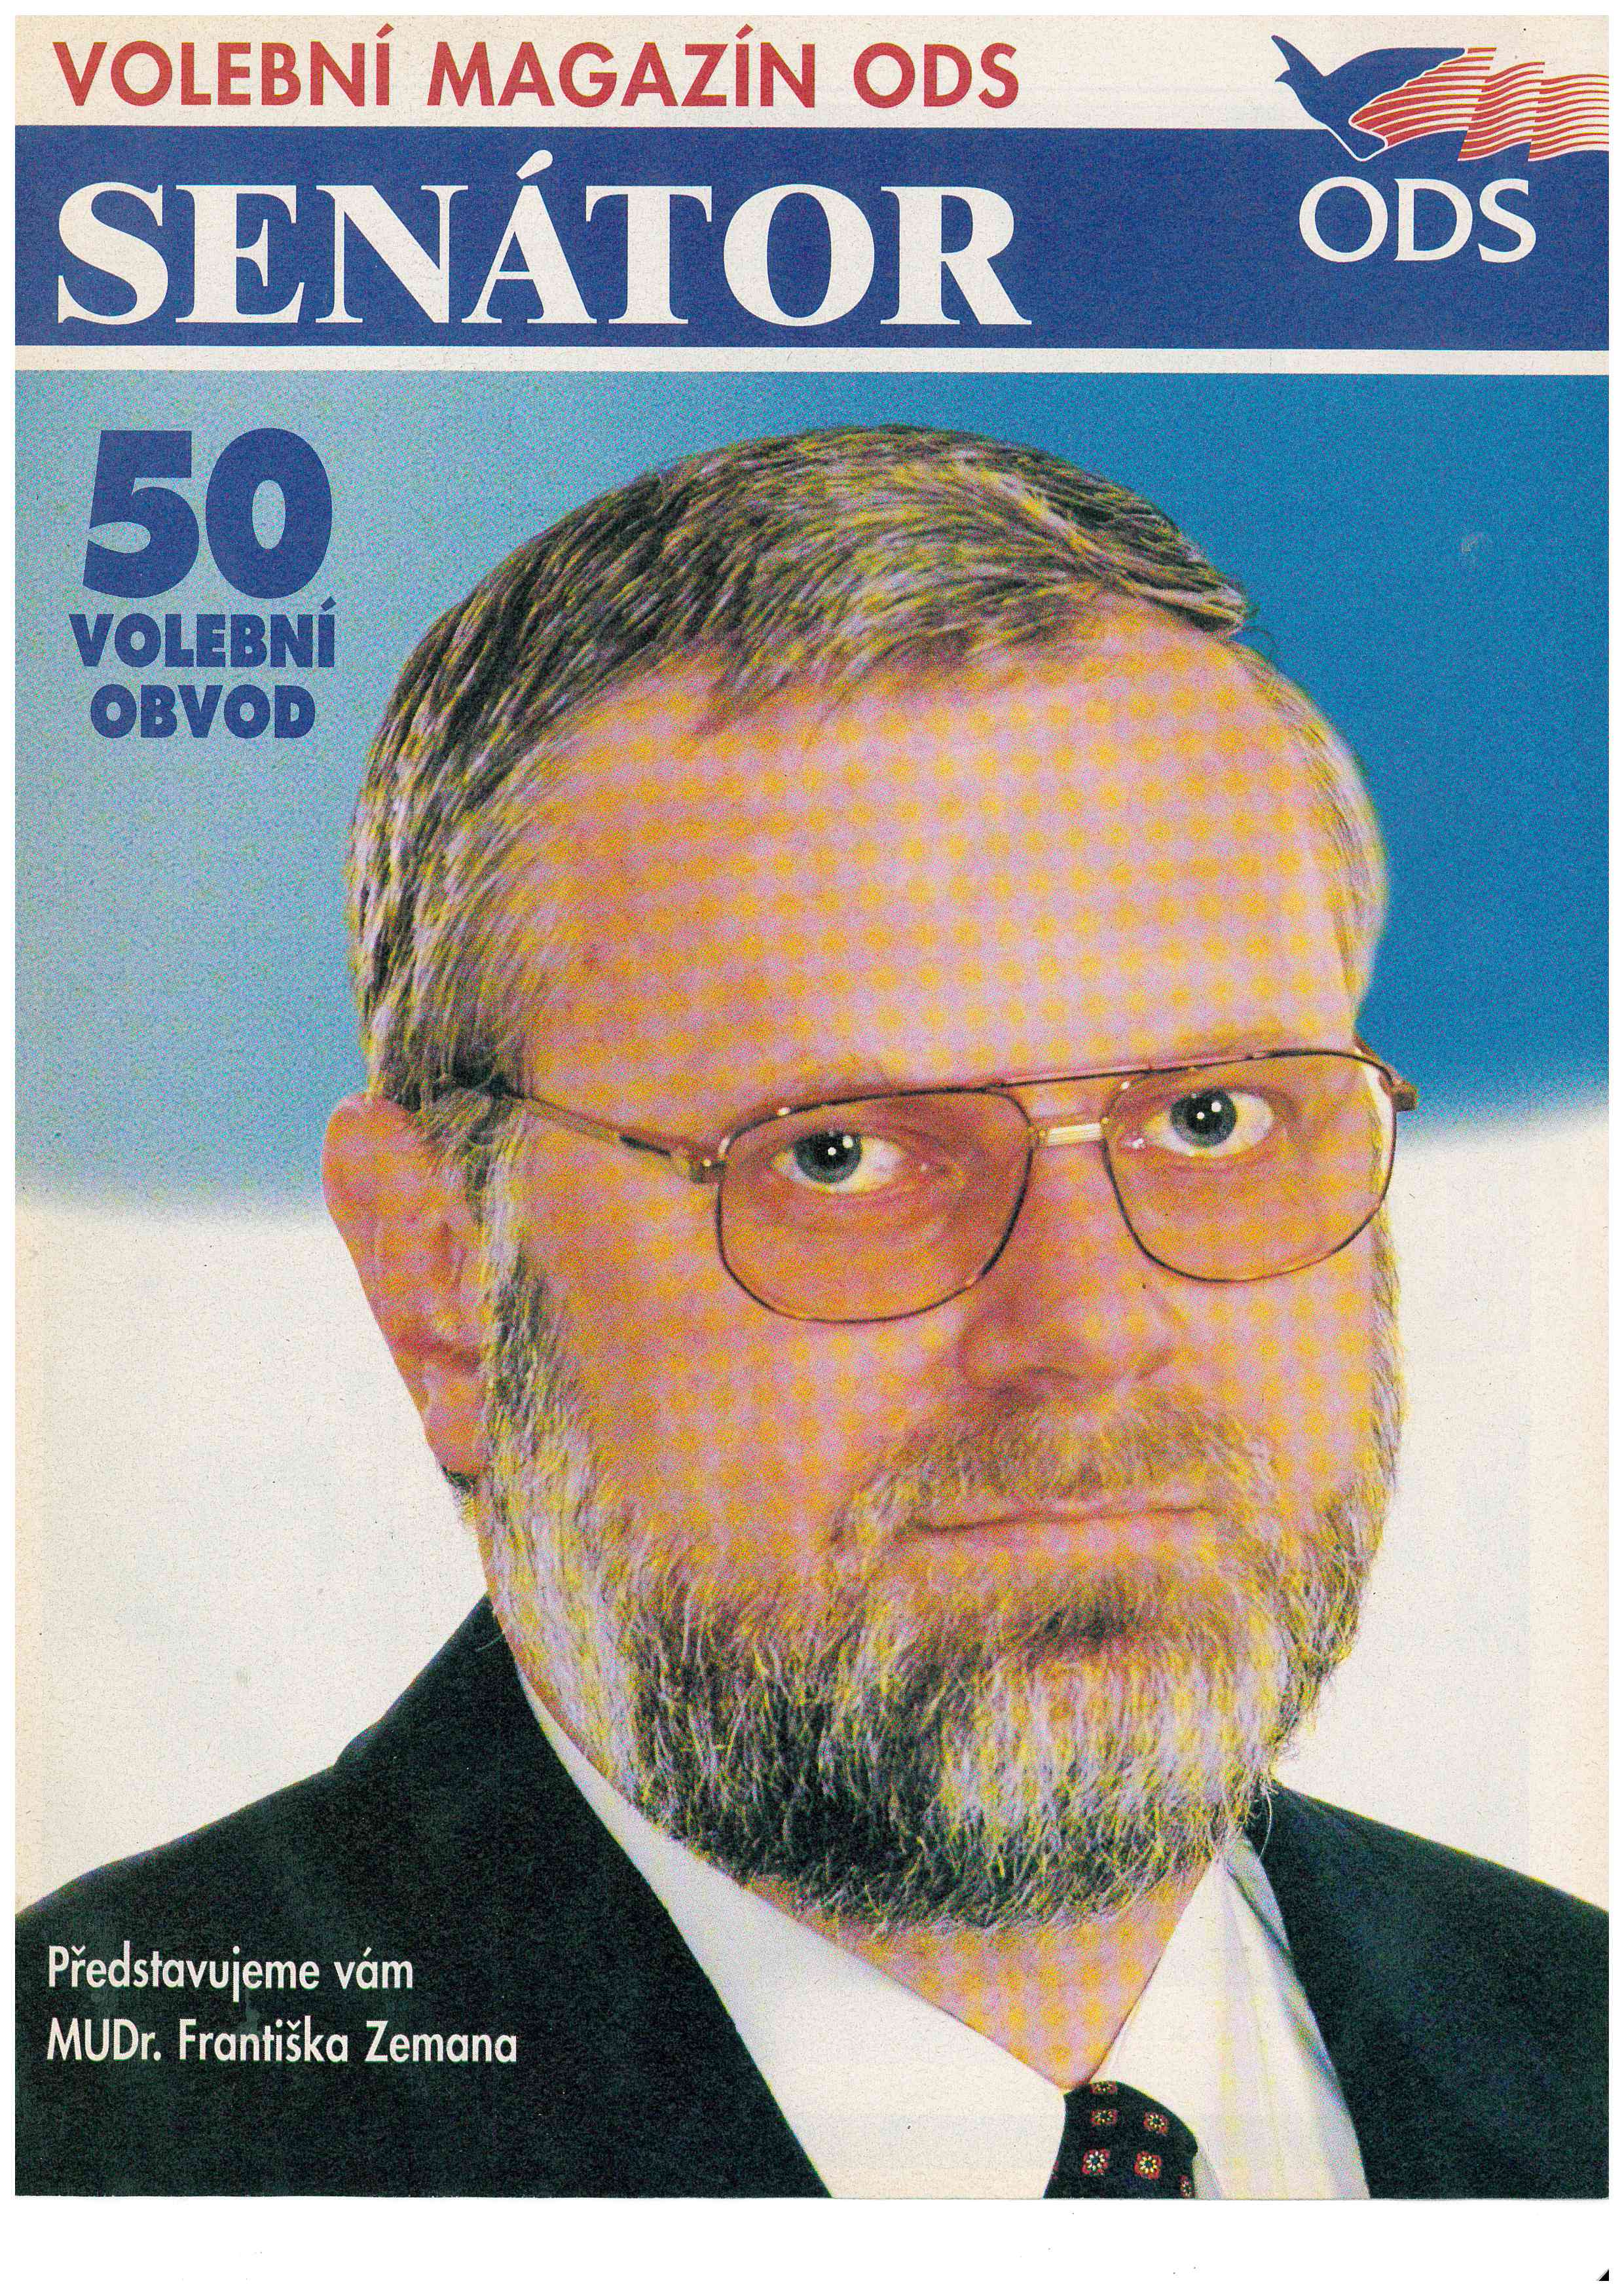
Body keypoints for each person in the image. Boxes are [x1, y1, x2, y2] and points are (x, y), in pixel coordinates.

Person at [17, 427, 1604, 2198]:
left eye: (1212, 1118)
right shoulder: (102, 2144)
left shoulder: (1582, 2044)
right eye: (837, 1155)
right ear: (440, 1279)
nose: (1087, 1327)